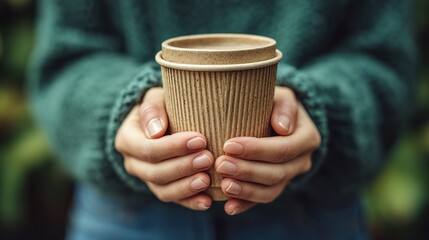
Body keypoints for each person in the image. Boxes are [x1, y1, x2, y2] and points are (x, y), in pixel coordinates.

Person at [27, 0, 416, 239]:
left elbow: (381, 60)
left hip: (313, 219)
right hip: (127, 220)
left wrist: (322, 113)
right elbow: (67, 59)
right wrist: (118, 117)